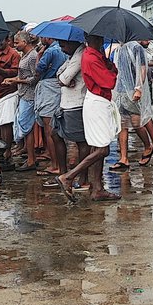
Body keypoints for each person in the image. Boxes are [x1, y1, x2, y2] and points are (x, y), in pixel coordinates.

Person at [57, 35, 119, 203]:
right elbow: (109, 81)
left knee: (98, 147)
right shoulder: (91, 57)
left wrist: (108, 65)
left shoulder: (95, 56)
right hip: (97, 102)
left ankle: (97, 188)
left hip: (99, 101)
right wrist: (111, 70)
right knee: (102, 150)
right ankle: (69, 177)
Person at [114, 39, 153, 170]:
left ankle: (148, 146)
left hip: (132, 90)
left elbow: (142, 68)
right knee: (122, 124)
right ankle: (124, 158)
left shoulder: (136, 48)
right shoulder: (119, 49)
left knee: (136, 122)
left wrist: (138, 88)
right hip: (120, 90)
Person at [53, 38, 89, 184]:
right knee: (55, 133)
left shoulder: (80, 54)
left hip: (76, 103)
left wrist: (63, 79)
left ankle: (82, 179)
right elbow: (58, 74)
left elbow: (64, 78)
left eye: (64, 45)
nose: (62, 49)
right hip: (66, 103)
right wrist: (62, 79)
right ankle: (63, 174)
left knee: (82, 142)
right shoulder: (72, 56)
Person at [34, 36, 67, 177]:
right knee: (55, 128)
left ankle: (56, 165)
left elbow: (38, 70)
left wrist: (39, 55)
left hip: (49, 87)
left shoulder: (50, 51)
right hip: (59, 88)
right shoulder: (65, 51)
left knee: (49, 129)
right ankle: (59, 164)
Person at [7, 31, 40, 168]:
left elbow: (35, 77)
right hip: (23, 93)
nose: (15, 45)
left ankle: (31, 159)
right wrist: (13, 80)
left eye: (17, 43)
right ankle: (30, 156)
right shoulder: (25, 55)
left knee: (27, 127)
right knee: (26, 126)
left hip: (29, 95)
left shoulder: (32, 56)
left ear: (25, 43)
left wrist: (17, 81)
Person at [0, 34, 21, 161]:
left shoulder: (14, 54)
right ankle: (0, 149)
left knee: (6, 122)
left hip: (8, 92)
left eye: (1, 40)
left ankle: (7, 150)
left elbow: (15, 72)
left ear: (7, 40)